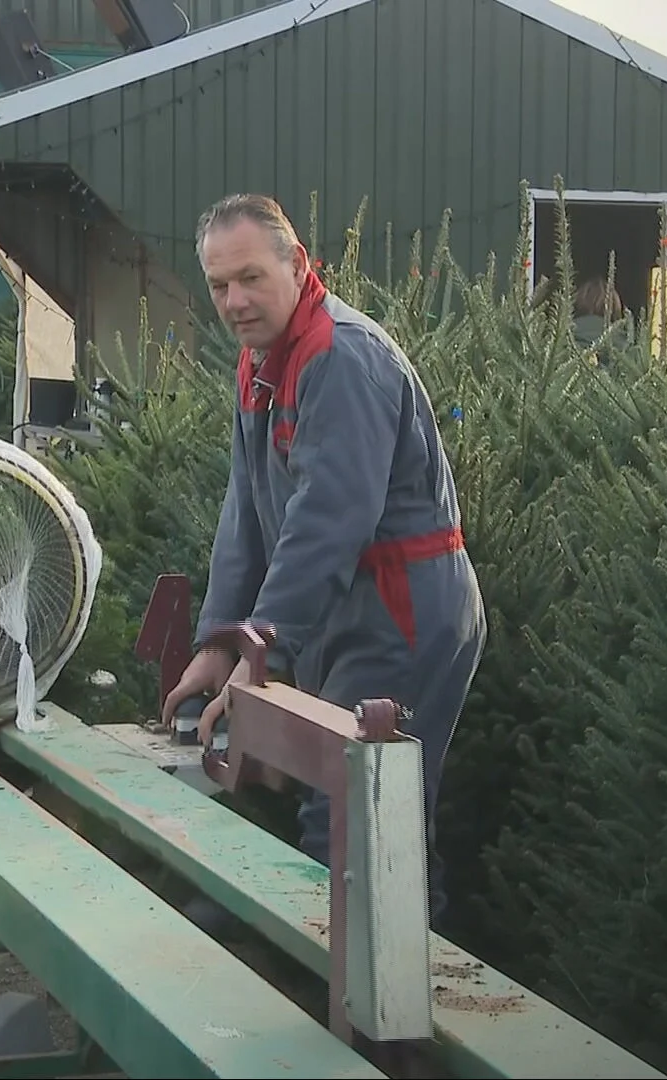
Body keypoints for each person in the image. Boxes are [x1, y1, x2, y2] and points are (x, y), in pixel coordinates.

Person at [161, 193, 487, 923]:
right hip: (346, 608)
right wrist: (221, 640)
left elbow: (328, 523)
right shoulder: (262, 360)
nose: (235, 300)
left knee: (360, 815)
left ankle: (384, 1020)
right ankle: (343, 998)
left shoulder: (341, 358)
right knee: (342, 805)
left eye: (250, 278)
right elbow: (248, 506)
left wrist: (263, 651)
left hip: (402, 612)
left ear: (299, 264)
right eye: (219, 286)